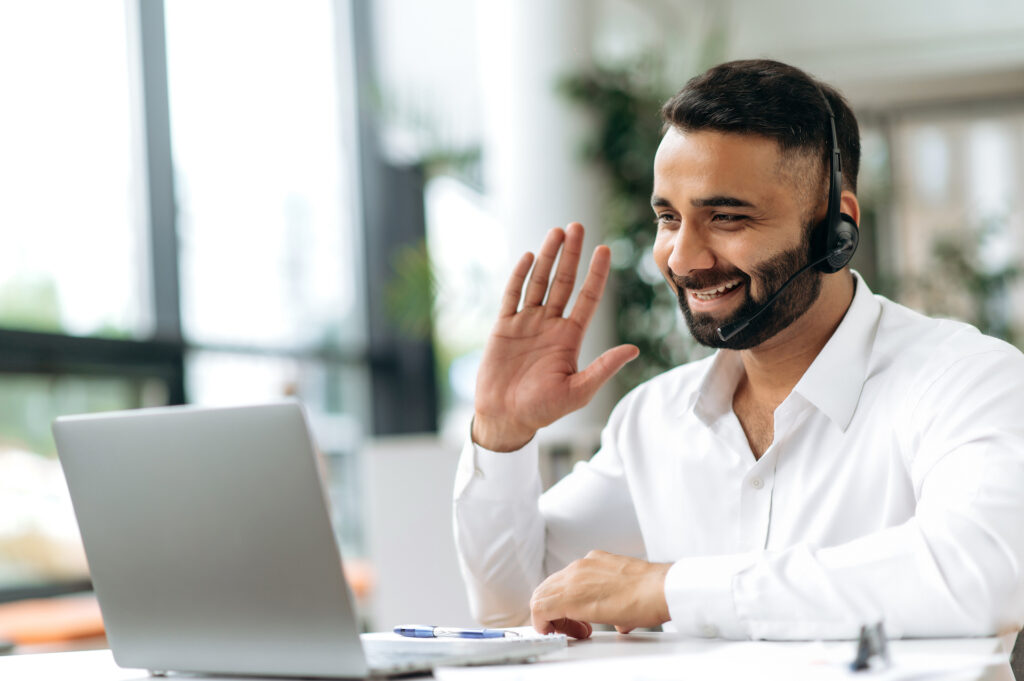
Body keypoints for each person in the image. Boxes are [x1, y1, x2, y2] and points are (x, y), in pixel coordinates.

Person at [452, 59, 1024, 641]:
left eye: (726, 217)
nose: (681, 258)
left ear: (837, 227)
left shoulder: (969, 379)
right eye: (668, 218)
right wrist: (502, 433)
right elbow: (517, 604)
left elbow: (983, 575)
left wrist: (668, 589)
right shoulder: (654, 420)